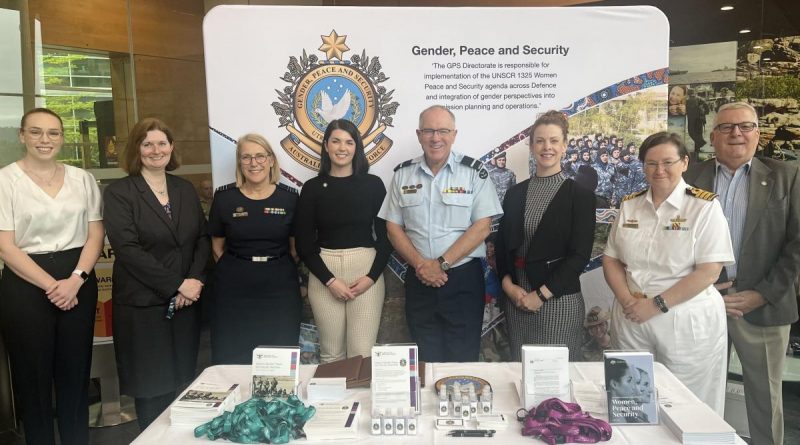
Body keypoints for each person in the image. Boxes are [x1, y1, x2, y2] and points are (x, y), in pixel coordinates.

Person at [684, 102, 800, 445]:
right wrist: (704, 291)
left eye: (746, 126)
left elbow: (797, 245)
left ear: (758, 134)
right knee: (697, 396)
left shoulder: (787, 176)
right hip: (703, 306)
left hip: (763, 309)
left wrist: (761, 294)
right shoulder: (691, 177)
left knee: (765, 402)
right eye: (727, 127)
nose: (737, 133)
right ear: (712, 136)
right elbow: (677, 240)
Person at [603, 131, 734, 415]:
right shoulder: (630, 205)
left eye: (667, 162)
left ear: (684, 163)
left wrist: (656, 305)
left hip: (684, 320)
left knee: (686, 406)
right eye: (651, 163)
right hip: (632, 316)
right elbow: (611, 259)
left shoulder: (704, 207)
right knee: (631, 404)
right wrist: (628, 300)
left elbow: (709, 271)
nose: (659, 170)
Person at [0, 108, 103, 445]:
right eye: (36, 132)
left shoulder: (82, 178)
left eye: (53, 133)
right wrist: (52, 285)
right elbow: (5, 246)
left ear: (62, 137)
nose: (45, 139)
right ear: (22, 136)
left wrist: (75, 279)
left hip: (77, 279)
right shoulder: (5, 180)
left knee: (75, 375)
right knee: (33, 380)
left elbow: (95, 233)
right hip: (26, 283)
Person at [104, 117, 209, 429]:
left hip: (186, 304)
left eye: (162, 143)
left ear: (171, 147)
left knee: (182, 382)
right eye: (147, 143)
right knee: (151, 390)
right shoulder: (120, 192)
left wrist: (194, 281)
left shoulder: (184, 189)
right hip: (143, 307)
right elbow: (128, 249)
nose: (155, 149)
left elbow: (201, 239)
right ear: (137, 149)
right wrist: (178, 284)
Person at [379, 105, 502, 362]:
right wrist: (422, 266)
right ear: (418, 134)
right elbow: (393, 227)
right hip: (419, 278)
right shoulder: (403, 175)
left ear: (454, 134)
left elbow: (482, 226)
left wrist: (441, 264)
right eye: (429, 131)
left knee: (463, 356)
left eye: (443, 131)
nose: (436, 138)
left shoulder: (473, 173)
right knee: (425, 357)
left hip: (462, 280)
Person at [495, 110, 595, 361]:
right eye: (539, 141)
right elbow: (502, 248)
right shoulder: (515, 194)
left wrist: (540, 296)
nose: (546, 147)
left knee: (557, 384)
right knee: (522, 377)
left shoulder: (579, 196)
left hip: (558, 302)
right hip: (518, 302)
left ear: (564, 146)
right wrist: (509, 288)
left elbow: (579, 255)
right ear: (531, 146)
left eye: (553, 141)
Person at [295, 119, 391, 363]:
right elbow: (304, 244)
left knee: (361, 353)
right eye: (336, 141)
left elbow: (386, 238)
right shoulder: (312, 188)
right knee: (331, 354)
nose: (342, 148)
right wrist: (329, 281)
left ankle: (360, 402)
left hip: (365, 270)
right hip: (325, 273)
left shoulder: (373, 185)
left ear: (357, 147)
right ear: (326, 146)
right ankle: (333, 403)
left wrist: (371, 277)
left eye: (349, 142)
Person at [208, 133, 301, 364]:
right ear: (240, 162)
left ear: (271, 160)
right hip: (234, 289)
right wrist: (239, 269)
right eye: (246, 157)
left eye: (260, 156)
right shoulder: (224, 198)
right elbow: (216, 246)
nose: (253, 163)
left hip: (279, 287)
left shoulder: (289, 199)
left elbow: (295, 248)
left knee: (278, 354)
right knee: (233, 353)